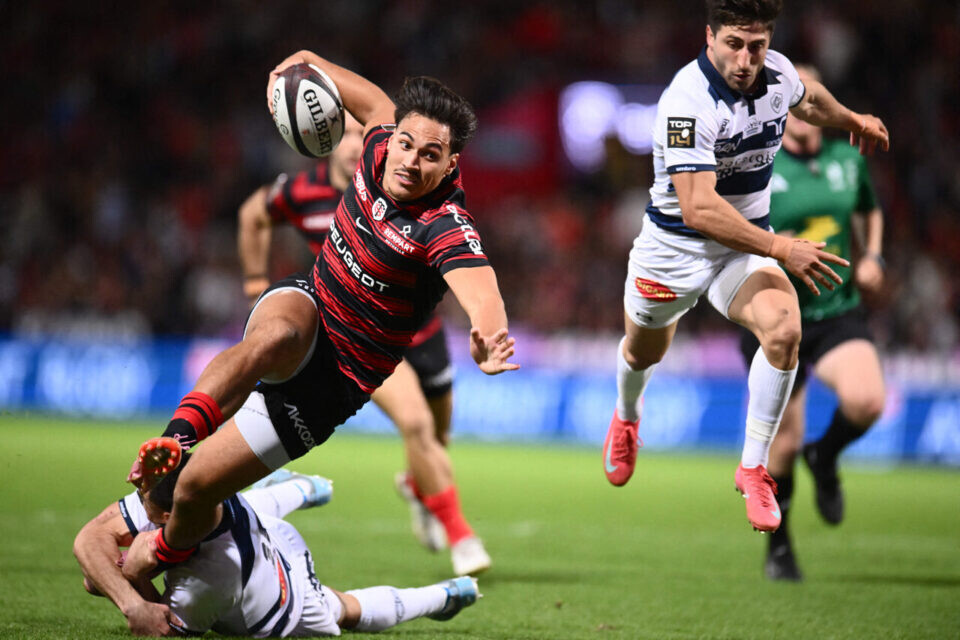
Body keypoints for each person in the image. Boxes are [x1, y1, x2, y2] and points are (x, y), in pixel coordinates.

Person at [122, 51, 518, 583]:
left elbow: (481, 287)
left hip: (339, 381)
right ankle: (178, 440)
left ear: (450, 164)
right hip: (310, 304)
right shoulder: (378, 143)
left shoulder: (444, 224)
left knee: (195, 494)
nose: (410, 161)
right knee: (276, 335)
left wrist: (490, 338)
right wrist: (303, 62)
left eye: (430, 154)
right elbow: (372, 98)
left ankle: (166, 548)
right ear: (391, 136)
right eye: (405, 143)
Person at [602, 0, 889, 534]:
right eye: (734, 43)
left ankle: (754, 468)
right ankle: (626, 416)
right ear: (710, 36)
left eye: (757, 45)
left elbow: (808, 100)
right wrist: (781, 248)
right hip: (674, 249)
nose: (746, 58)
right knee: (645, 350)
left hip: (741, 248)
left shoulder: (777, 72)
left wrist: (852, 119)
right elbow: (699, 208)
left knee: (783, 329)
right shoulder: (685, 103)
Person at [238, 110, 491, 575]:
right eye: (345, 134)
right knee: (416, 426)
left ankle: (420, 489)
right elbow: (252, 214)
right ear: (325, 139)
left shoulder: (391, 183)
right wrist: (256, 282)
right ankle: (462, 537)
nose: (356, 143)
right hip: (363, 334)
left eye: (363, 133)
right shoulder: (302, 192)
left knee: (437, 438)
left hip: (425, 335)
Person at [737, 63, 886, 580]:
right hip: (775, 315)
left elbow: (868, 209)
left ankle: (826, 457)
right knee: (783, 443)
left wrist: (874, 256)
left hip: (837, 309)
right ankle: (779, 547)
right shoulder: (760, 163)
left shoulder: (849, 158)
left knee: (868, 402)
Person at [74, 454, 480, 636]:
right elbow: (89, 539)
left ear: (164, 516)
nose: (138, 507)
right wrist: (125, 589)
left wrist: (129, 576)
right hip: (248, 519)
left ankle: (442, 596)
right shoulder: (195, 485)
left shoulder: (206, 583)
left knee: (341, 610)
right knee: (248, 505)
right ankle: (306, 488)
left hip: (281, 593)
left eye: (145, 504)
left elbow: (155, 623)